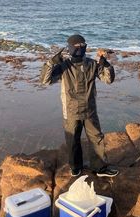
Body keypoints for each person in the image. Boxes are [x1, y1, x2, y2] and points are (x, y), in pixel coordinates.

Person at [40, 34, 119, 178]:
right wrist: (51, 63)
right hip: (71, 111)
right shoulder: (63, 66)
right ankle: (76, 167)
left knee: (96, 138)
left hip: (90, 110)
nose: (80, 49)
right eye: (76, 47)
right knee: (72, 141)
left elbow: (108, 80)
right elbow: (45, 81)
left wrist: (105, 63)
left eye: (83, 46)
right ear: (70, 48)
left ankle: (100, 167)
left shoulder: (92, 64)